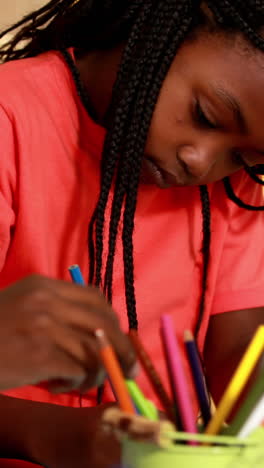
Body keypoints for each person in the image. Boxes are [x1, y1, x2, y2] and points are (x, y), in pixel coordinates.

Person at [0, 0, 263, 467]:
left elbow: (241, 358)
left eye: (243, 157)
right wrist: (53, 436)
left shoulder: (232, 189)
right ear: (169, 24)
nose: (200, 162)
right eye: (205, 114)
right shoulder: (11, 116)